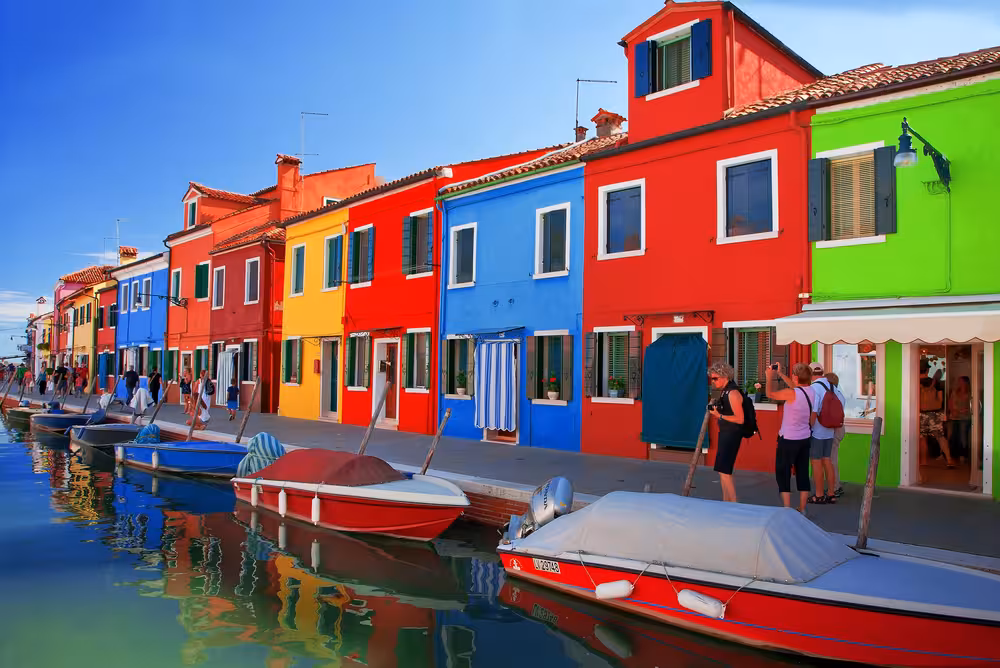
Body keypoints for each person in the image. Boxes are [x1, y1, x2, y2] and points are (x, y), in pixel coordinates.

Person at [766, 362, 815, 512]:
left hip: (788, 439)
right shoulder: (811, 391)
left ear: (795, 377)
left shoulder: (791, 393)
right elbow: (796, 387)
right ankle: (802, 508)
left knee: (783, 472)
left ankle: (787, 509)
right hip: (804, 438)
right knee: (802, 472)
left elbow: (770, 394)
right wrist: (780, 374)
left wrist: (769, 378)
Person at [808, 362, 845, 504]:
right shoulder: (833, 388)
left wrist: (808, 426)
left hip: (817, 430)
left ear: (811, 374)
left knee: (816, 462)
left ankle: (818, 494)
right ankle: (831, 493)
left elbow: (813, 411)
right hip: (830, 430)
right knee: (828, 461)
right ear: (822, 372)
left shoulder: (814, 388)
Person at [707, 362, 745, 502]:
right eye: (712, 378)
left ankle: (733, 504)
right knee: (722, 470)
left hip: (731, 435)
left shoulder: (733, 393)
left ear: (725, 376)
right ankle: (726, 502)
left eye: (715, 378)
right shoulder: (725, 391)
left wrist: (719, 415)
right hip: (725, 434)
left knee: (725, 470)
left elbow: (740, 419)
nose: (713, 381)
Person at [918, 360, 954, 470]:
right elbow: (940, 399)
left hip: (921, 413)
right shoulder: (935, 382)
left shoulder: (914, 382)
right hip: (935, 412)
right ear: (928, 369)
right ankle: (949, 460)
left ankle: (924, 461)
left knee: (922, 437)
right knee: (940, 436)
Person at [825, 372, 846, 498]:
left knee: (831, 459)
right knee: (832, 459)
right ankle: (835, 485)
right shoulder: (840, 395)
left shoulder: (831, 395)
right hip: (839, 428)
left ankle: (835, 487)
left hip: (833, 429)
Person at [947, 375, 972, 462]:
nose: (959, 383)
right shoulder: (955, 392)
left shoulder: (970, 393)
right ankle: (954, 454)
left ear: (965, 382)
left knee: (963, 436)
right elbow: (950, 403)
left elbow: (972, 406)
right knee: (954, 435)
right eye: (959, 381)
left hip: (965, 417)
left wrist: (966, 410)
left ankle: (963, 455)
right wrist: (952, 410)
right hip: (955, 417)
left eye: (960, 381)